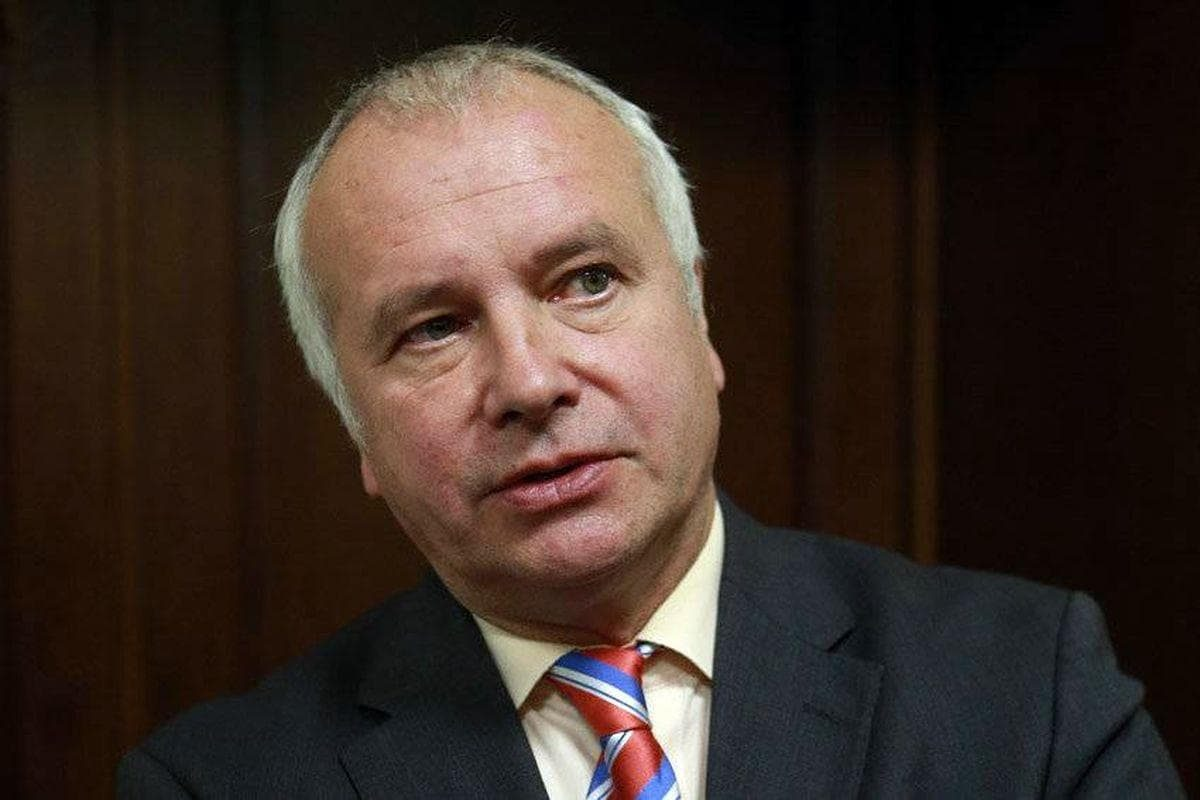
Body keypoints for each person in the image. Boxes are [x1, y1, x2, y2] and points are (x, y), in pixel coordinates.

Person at [117, 43, 1182, 798]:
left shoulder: (1025, 692)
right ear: (356, 425)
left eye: (585, 280)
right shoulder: (217, 782)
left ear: (699, 317)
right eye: (434, 328)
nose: (530, 381)